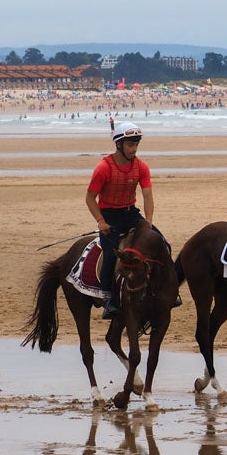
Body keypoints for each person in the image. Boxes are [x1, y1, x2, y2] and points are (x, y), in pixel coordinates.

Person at [85, 122, 155, 318]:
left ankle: (163, 290)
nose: (134, 150)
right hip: (109, 217)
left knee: (161, 242)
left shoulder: (141, 167)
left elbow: (147, 195)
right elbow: (90, 198)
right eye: (130, 145)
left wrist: (148, 221)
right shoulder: (103, 168)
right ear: (119, 144)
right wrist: (100, 221)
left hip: (131, 214)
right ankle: (108, 299)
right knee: (110, 255)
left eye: (136, 145)